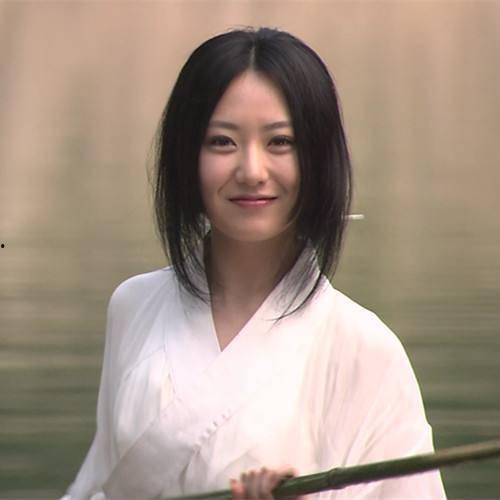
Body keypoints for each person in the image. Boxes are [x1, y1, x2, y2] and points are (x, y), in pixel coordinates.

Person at [62, 27, 447, 499]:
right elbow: (97, 487)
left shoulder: (366, 350)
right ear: (186, 154)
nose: (251, 170)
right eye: (222, 142)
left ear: (317, 158)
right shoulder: (133, 305)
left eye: (280, 142)